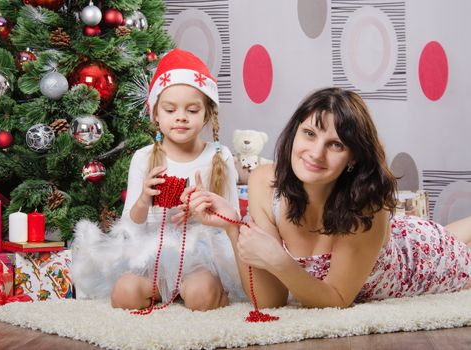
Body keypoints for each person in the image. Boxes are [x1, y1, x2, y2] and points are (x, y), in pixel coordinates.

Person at [184, 87, 471, 309]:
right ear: (294, 133)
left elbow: (337, 298)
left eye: (335, 144)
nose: (316, 153)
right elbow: (270, 299)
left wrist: (280, 261)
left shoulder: (365, 206)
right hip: (392, 236)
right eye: (309, 133)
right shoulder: (265, 182)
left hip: (421, 258)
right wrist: (234, 226)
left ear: (353, 158)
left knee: (456, 246)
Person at [71, 48, 244, 311]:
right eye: (170, 109)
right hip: (153, 253)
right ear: (156, 115)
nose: (181, 117)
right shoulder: (144, 157)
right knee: (124, 294)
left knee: (202, 295)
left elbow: (233, 221)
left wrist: (202, 209)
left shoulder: (219, 156)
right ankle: (164, 291)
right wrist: (143, 198)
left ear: (207, 114)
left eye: (192, 110)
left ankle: (203, 291)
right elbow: (131, 224)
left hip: (202, 256)